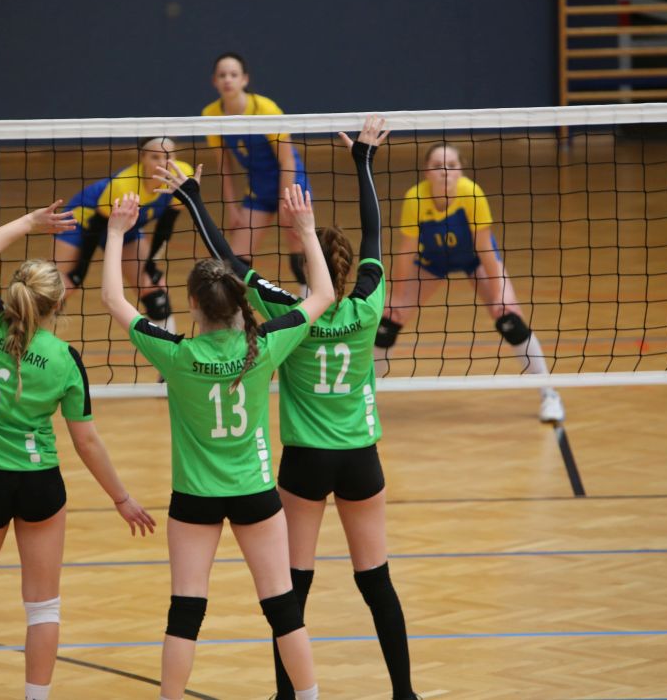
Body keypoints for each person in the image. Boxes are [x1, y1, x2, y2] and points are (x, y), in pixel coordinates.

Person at [159, 116, 420, 700]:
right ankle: (404, 694)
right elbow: (375, 234)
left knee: (290, 592)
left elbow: (226, 260)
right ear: (347, 267)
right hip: (360, 457)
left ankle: (287, 697)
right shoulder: (368, 305)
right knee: (376, 581)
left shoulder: (285, 316)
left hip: (305, 461)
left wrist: (193, 197)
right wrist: (363, 162)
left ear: (303, 266)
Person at [101, 183, 334, 700]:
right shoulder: (264, 346)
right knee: (283, 608)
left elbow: (114, 299)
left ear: (192, 305)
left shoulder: (176, 355)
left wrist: (116, 232)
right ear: (240, 303)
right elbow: (322, 296)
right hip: (254, 492)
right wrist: (304, 229)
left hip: (195, 498)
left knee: (185, 611)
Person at [0, 201, 155, 700]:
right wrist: (121, 498)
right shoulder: (64, 361)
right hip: (39, 484)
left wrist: (31, 223)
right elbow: (86, 440)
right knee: (43, 608)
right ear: (58, 305)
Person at [375, 143, 566, 423]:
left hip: (475, 259)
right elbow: (406, 251)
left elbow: (484, 247)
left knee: (508, 315)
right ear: (426, 172)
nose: (444, 171)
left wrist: (499, 294)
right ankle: (365, 395)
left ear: (460, 170)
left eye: (451, 165)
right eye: (437, 166)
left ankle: (549, 394)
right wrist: (397, 296)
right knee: (390, 318)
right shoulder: (415, 198)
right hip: (431, 261)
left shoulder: (471, 193)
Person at [51, 137, 195, 332]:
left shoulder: (182, 176)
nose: (163, 163)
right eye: (155, 157)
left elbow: (166, 226)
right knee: (59, 289)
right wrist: (79, 273)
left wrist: (151, 265)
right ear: (142, 158)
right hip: (82, 224)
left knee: (155, 291)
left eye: (168, 156)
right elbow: (96, 227)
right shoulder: (124, 186)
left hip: (124, 227)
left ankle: (170, 348)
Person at [202, 52, 310, 285]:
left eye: (233, 74)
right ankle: (241, 308)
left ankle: (313, 303)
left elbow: (287, 161)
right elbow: (224, 166)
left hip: (290, 183)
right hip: (259, 188)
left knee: (300, 256)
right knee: (235, 265)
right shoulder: (211, 115)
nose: (228, 79)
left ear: (244, 79)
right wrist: (232, 208)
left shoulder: (265, 109)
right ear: (214, 81)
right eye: (222, 75)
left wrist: (285, 203)